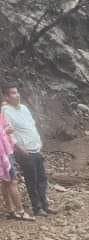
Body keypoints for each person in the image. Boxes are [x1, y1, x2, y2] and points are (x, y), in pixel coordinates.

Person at [1, 85, 55, 217]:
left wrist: (39, 142)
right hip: (24, 150)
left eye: (17, 92)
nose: (17, 95)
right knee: (32, 179)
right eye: (13, 93)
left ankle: (45, 205)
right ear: (7, 97)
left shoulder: (24, 108)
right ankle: (37, 208)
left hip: (36, 147)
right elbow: (8, 133)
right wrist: (19, 148)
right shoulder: (5, 111)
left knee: (42, 178)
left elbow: (32, 126)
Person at [0, 109, 33, 221]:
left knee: (5, 182)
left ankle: (10, 210)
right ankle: (21, 211)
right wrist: (5, 131)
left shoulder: (1, 115)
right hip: (3, 153)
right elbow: (5, 131)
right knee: (12, 181)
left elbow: (8, 128)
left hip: (7, 151)